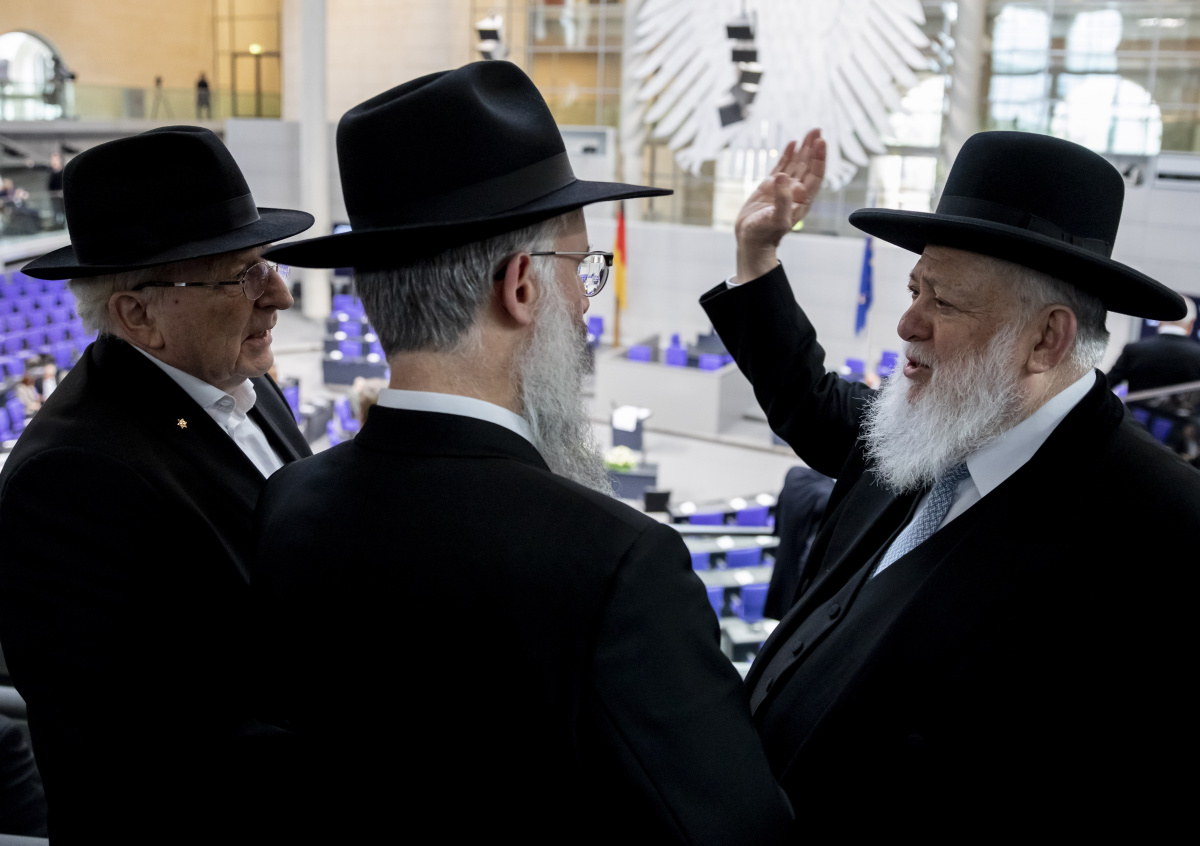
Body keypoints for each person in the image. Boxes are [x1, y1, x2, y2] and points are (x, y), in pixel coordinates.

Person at [253, 62, 793, 844]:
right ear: (521, 287)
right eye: (582, 270)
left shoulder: (287, 501)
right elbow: (738, 836)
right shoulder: (617, 564)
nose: (584, 303)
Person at [700, 129, 1200, 835]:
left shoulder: (1161, 528)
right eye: (914, 290)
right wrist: (758, 258)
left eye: (945, 303)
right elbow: (809, 401)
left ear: (1046, 339)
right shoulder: (929, 426)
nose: (907, 324)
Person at [0, 126, 315, 841]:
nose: (279, 295)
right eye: (241, 276)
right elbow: (153, 749)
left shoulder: (241, 380)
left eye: (266, 264)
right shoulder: (70, 479)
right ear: (138, 314)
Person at [1107, 294, 1200, 393]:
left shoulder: (1134, 350)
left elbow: (1105, 385)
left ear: (1160, 318)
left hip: (1136, 404)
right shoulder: (1198, 355)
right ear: (1192, 322)